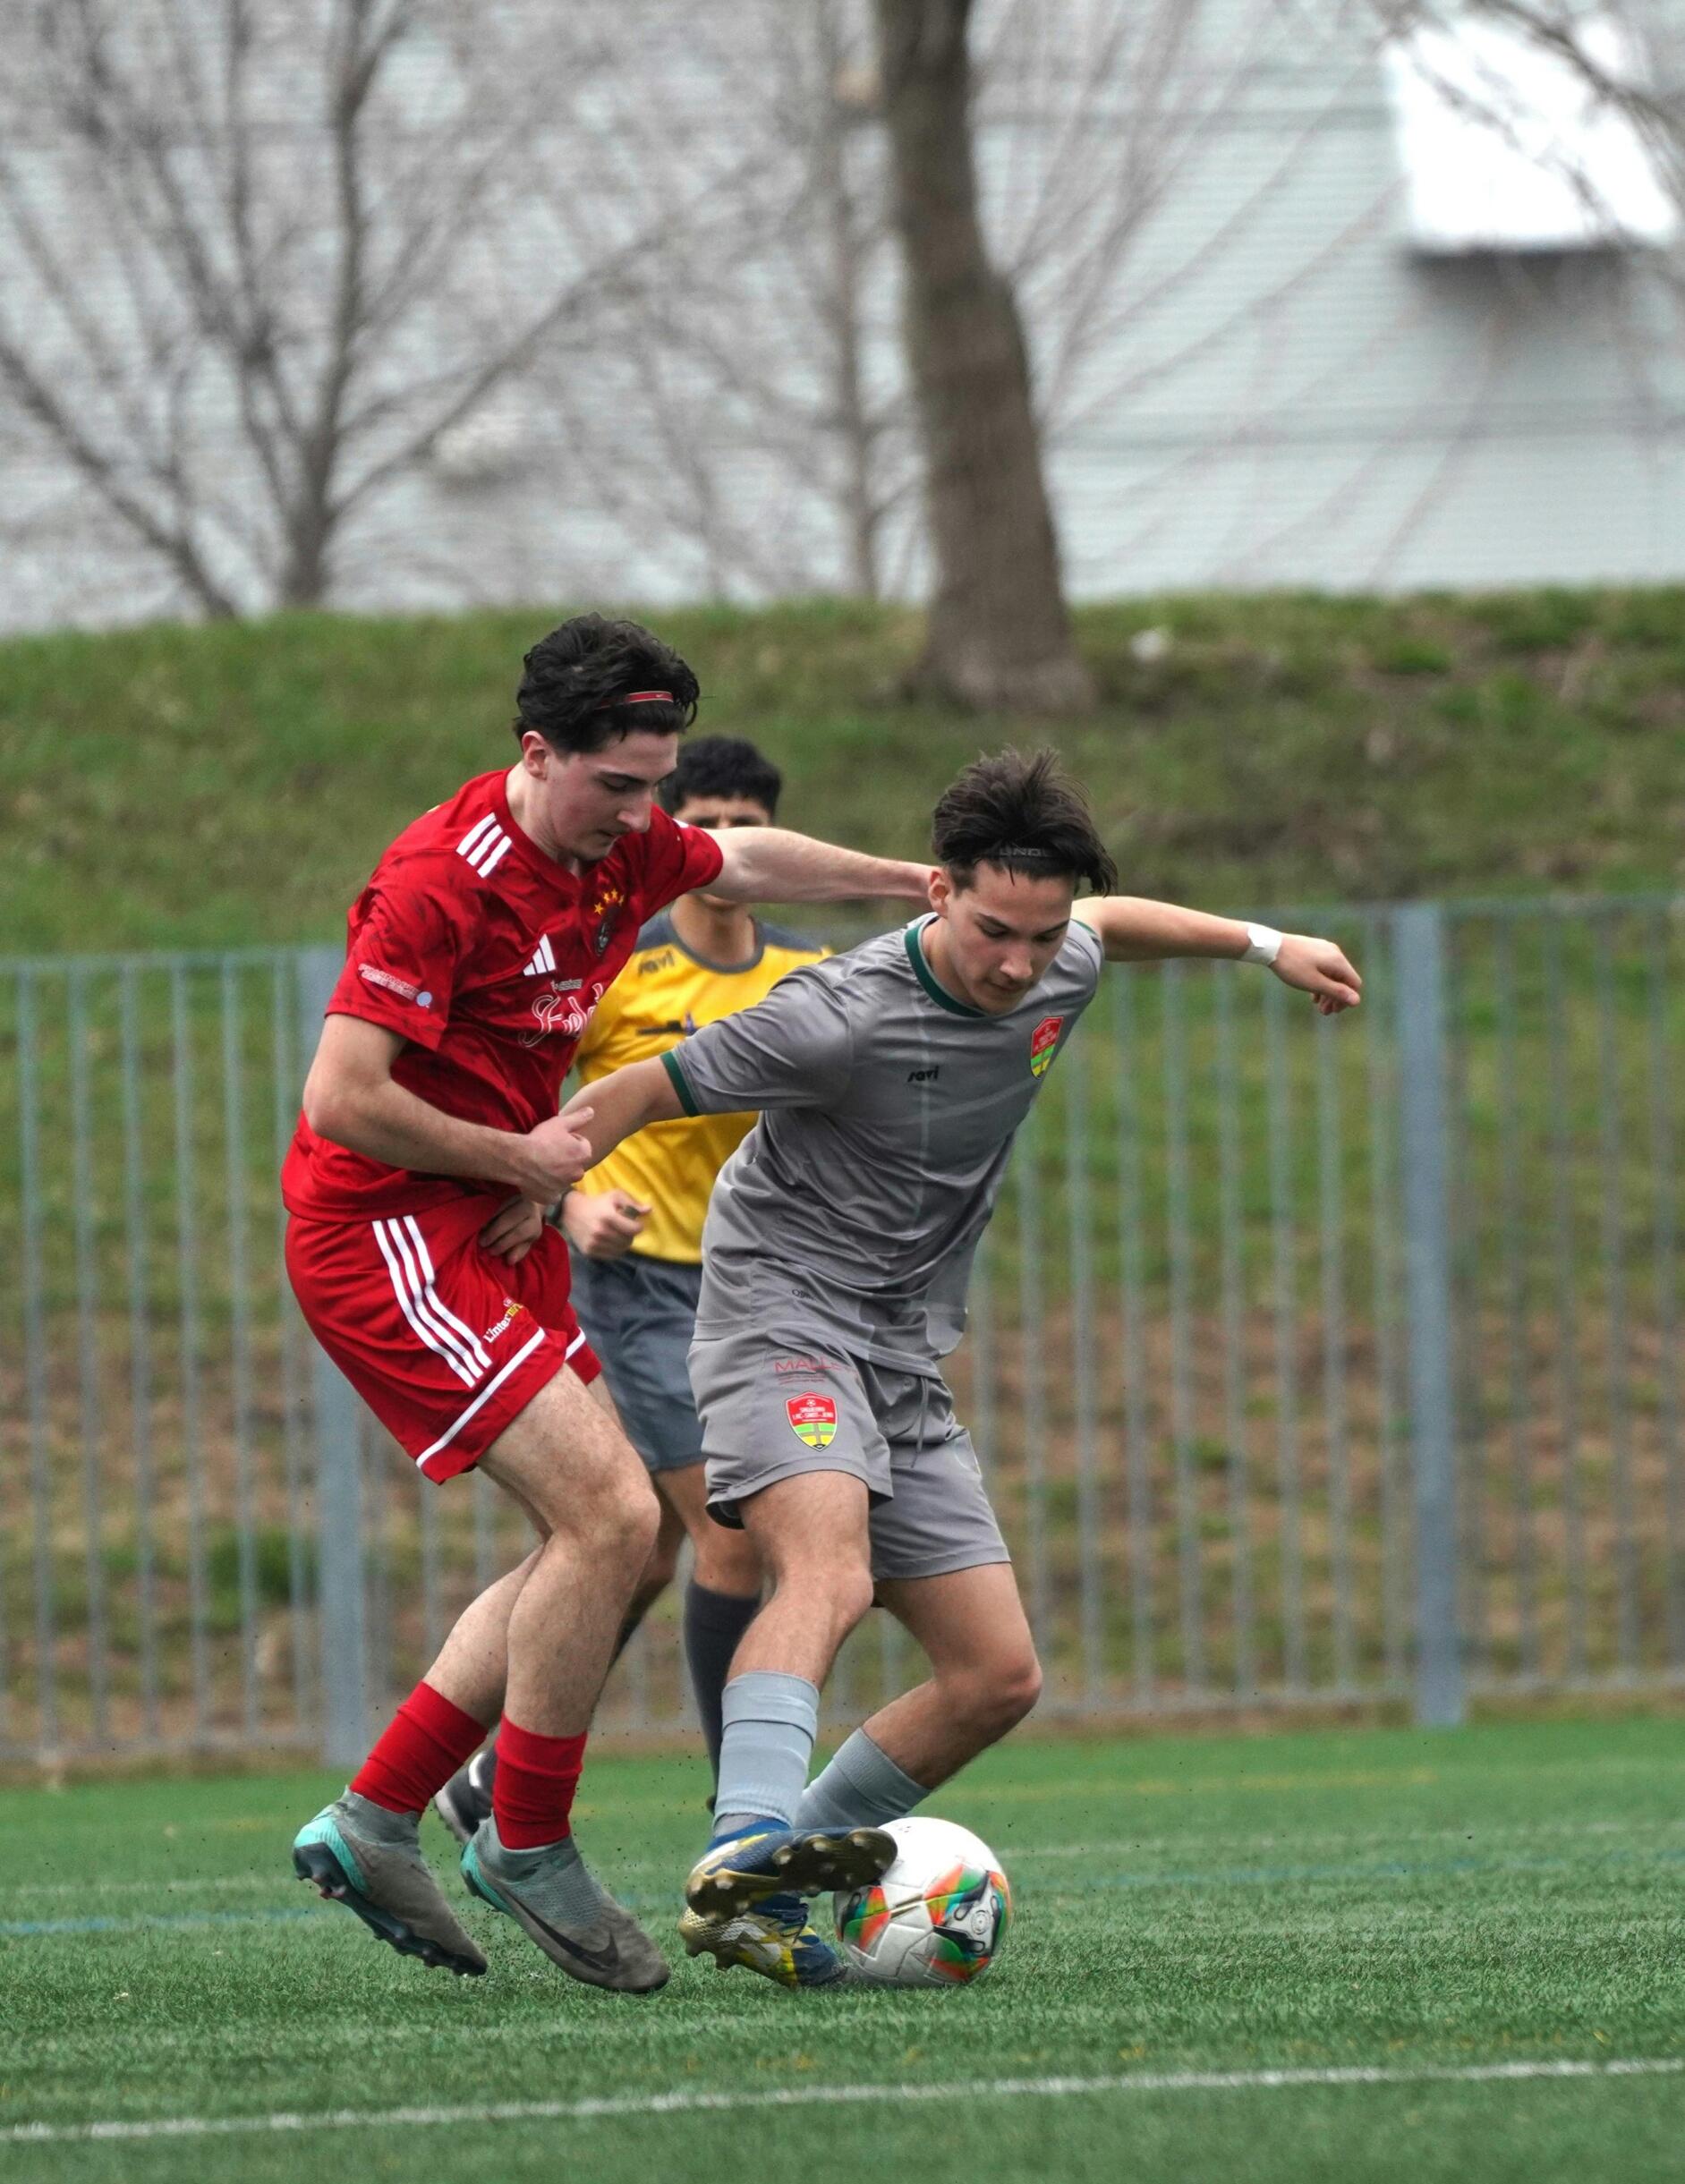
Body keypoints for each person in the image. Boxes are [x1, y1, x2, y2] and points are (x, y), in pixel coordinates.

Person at [559, 747, 1363, 1988]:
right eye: (992, 930)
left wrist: (1266, 945)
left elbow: (1109, 921)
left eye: (1036, 939)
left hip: (898, 1343)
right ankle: (745, 1839)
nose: (1015, 964)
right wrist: (537, 1192)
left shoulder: (1057, 957)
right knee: (823, 1569)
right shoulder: (834, 1014)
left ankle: (763, 1886)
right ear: (933, 893)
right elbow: (636, 1092)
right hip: (779, 1315)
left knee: (995, 1675)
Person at [283, 615, 927, 1995]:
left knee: (623, 1548)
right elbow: (341, 1099)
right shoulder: (436, 884)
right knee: (618, 1518)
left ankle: (380, 1812)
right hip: (384, 1232)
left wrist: (904, 882)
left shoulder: (620, 845)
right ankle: (523, 1841)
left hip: (489, 1219)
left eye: (657, 787)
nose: (643, 822)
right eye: (618, 789)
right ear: (536, 754)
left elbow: (740, 855)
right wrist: (517, 1156)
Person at [431, 735, 828, 1845]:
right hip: (640, 1287)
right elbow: (533, 1105)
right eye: (707, 819)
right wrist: (567, 1205)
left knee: (645, 1547)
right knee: (730, 1539)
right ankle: (746, 1812)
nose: (728, 842)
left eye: (746, 821)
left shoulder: (805, 973)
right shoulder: (619, 966)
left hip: (761, 1294)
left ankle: (486, 1780)